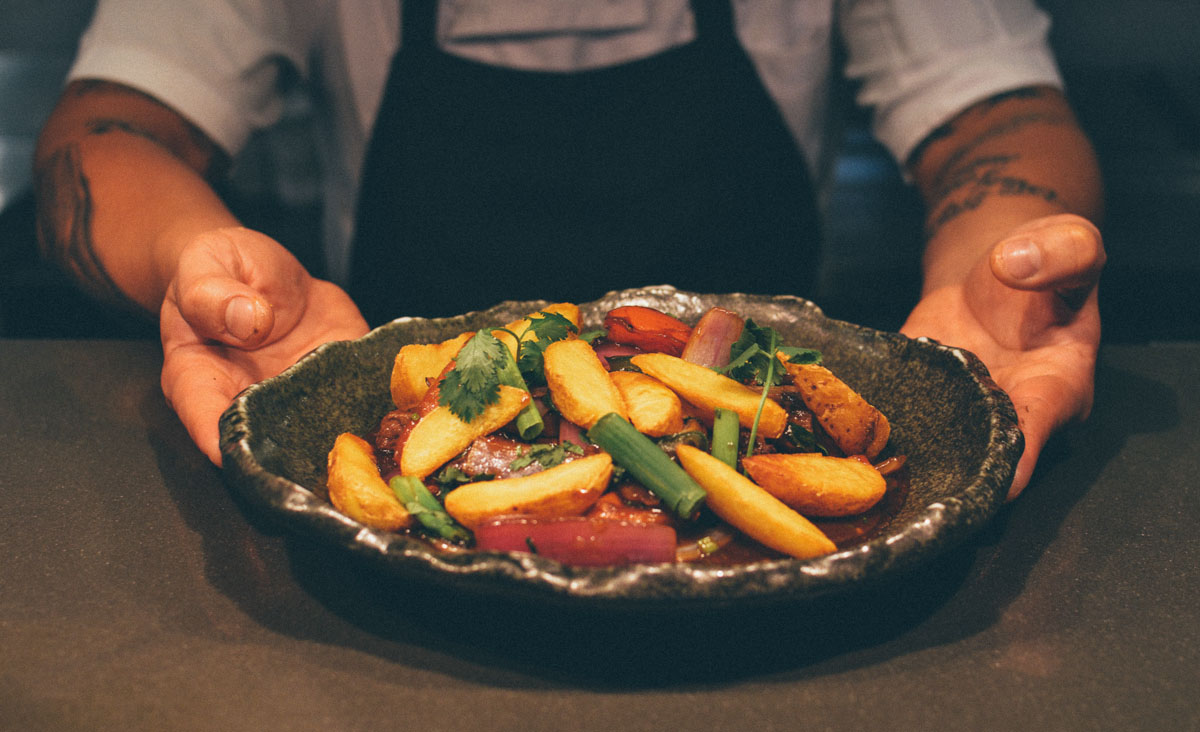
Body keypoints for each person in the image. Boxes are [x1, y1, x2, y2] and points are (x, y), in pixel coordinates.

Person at [34, 0, 1104, 499]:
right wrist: (195, 252)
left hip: (757, 453)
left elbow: (999, 124)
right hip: (419, 493)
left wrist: (1005, 265)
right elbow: (104, 136)